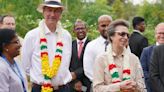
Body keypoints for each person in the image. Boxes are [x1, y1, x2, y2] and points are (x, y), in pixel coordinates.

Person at [22, 0, 72, 92]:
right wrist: (41, 78)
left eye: (56, 11)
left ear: (61, 13)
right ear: (43, 12)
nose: (52, 15)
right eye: (49, 10)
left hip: (63, 88)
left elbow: (66, 63)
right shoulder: (32, 35)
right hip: (40, 88)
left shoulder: (66, 36)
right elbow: (25, 66)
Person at [93, 19, 146, 92]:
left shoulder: (134, 59)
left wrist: (135, 86)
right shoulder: (101, 59)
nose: (126, 37)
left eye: (128, 35)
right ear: (111, 36)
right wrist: (119, 87)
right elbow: (96, 89)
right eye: (122, 34)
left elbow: (142, 87)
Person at [83, 15, 112, 83]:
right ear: (98, 27)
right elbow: (88, 69)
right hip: (97, 85)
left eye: (109, 25)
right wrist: (101, 83)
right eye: (103, 26)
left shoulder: (120, 44)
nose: (106, 28)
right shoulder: (91, 46)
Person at [140, 22, 164, 92]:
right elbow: (143, 71)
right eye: (159, 33)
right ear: (155, 34)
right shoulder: (146, 51)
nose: (162, 36)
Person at [69, 19, 91, 92]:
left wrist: (76, 74)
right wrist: (75, 81)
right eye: (77, 29)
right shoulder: (69, 45)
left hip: (87, 83)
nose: (80, 31)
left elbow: (91, 64)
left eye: (82, 28)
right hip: (72, 84)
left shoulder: (92, 45)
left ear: (87, 29)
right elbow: (67, 62)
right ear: (73, 31)